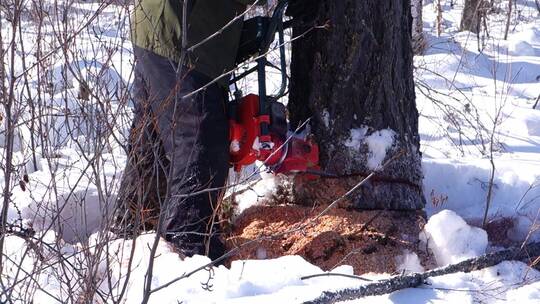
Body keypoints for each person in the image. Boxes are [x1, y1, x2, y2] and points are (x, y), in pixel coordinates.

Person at [114, 0, 260, 261]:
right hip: (181, 35)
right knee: (200, 143)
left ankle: (129, 240)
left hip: (165, 28)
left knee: (154, 141)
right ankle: (188, 251)